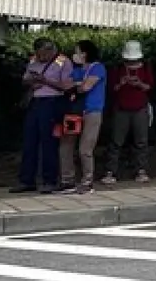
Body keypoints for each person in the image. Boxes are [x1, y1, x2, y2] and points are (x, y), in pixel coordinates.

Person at [15, 38, 75, 193]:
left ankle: (49, 180)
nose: (40, 58)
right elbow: (24, 80)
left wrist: (46, 81)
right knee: (29, 141)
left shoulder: (63, 61)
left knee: (48, 143)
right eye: (38, 54)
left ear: (50, 50)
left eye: (43, 55)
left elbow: (67, 86)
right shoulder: (33, 60)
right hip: (34, 102)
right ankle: (26, 180)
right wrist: (32, 82)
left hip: (52, 102)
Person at [102, 40, 155, 185]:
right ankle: (110, 171)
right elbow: (112, 89)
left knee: (141, 141)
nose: (131, 63)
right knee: (116, 140)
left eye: (134, 60)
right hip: (121, 108)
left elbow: (149, 87)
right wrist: (121, 83)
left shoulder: (145, 68)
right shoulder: (117, 69)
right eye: (129, 61)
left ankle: (141, 170)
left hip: (140, 107)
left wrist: (138, 84)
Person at [61, 38, 108, 193]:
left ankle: (87, 181)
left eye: (77, 51)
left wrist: (77, 85)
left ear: (85, 53)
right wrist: (77, 84)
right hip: (75, 112)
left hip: (92, 111)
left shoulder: (98, 68)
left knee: (85, 148)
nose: (75, 55)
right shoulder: (78, 70)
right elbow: (66, 84)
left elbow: (85, 87)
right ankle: (67, 180)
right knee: (66, 145)